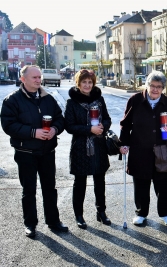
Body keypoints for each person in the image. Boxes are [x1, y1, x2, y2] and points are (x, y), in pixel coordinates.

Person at [1, 65, 68, 237]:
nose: (39, 80)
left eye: (39, 77)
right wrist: (33, 133)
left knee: (50, 188)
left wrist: (54, 129)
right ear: (23, 79)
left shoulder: (48, 98)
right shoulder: (12, 100)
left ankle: (53, 221)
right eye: (34, 78)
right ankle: (30, 224)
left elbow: (60, 119)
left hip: (47, 151)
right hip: (25, 153)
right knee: (29, 190)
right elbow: (8, 126)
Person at [119, 71, 167, 226]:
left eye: (159, 87)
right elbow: (126, 125)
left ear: (163, 88)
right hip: (140, 149)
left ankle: (165, 213)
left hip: (163, 149)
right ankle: (141, 213)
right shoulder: (135, 100)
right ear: (147, 85)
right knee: (140, 182)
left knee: (164, 184)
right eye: (152, 86)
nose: (155, 89)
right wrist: (124, 143)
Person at [64, 69, 112, 229]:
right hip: (80, 147)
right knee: (80, 182)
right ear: (78, 83)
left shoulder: (99, 100)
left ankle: (101, 212)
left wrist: (102, 126)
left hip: (98, 145)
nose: (87, 85)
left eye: (90, 82)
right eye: (84, 82)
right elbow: (69, 126)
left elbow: (107, 119)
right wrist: (89, 129)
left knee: (100, 181)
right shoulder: (72, 102)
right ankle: (79, 215)